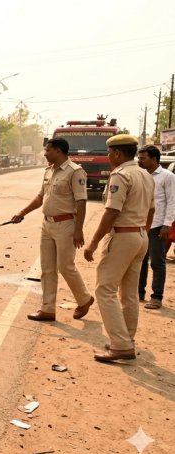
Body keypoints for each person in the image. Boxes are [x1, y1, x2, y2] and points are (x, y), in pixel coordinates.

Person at [84, 134, 154, 362]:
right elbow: (152, 209)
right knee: (129, 293)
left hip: (123, 236)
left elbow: (112, 212)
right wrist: (142, 230)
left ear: (116, 153)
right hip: (140, 236)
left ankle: (121, 344)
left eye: (108, 153)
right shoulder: (145, 174)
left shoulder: (120, 175)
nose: (107, 157)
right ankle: (126, 339)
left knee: (105, 289)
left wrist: (93, 242)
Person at [11, 137, 94, 321]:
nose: (45, 153)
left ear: (58, 151)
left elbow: (81, 202)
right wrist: (22, 212)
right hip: (47, 225)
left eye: (48, 150)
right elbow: (41, 196)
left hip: (66, 225)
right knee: (47, 268)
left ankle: (84, 299)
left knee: (65, 267)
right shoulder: (49, 171)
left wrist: (79, 230)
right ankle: (47, 309)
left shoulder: (75, 172)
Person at [136, 145, 175, 309]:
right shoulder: (141, 175)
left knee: (157, 262)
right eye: (139, 157)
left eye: (143, 158)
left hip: (158, 225)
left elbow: (172, 201)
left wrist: (167, 225)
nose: (139, 160)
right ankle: (139, 293)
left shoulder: (168, 177)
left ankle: (156, 296)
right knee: (140, 261)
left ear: (154, 159)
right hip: (140, 224)